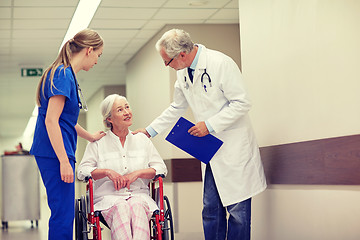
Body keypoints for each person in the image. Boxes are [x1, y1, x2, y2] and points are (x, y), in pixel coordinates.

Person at [133, 29, 267, 240]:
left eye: (167, 61)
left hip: (234, 148)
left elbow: (242, 102)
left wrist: (210, 125)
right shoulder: (183, 72)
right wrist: (149, 131)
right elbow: (176, 107)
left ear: (182, 55)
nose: (166, 66)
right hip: (211, 152)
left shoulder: (221, 63)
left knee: (237, 213)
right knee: (210, 210)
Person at [30, 28, 106, 240]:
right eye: (98, 55)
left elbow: (66, 120)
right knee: (63, 214)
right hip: (55, 153)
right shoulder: (63, 74)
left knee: (63, 212)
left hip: (56, 150)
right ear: (89, 50)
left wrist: (90, 137)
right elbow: (51, 120)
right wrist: (64, 161)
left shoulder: (65, 74)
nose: (97, 61)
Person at [77, 94, 167, 240]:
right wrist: (107, 172)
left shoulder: (142, 140)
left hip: (139, 196)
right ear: (109, 119)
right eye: (120, 110)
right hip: (108, 199)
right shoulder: (98, 143)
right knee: (121, 207)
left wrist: (137, 174)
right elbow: (82, 172)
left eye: (127, 107)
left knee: (136, 205)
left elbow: (161, 168)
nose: (126, 112)